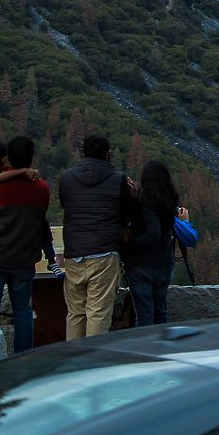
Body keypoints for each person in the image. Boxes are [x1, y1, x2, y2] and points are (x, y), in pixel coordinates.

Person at [0, 135, 53, 352]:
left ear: (8, 159)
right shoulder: (41, 189)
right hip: (25, 260)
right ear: (31, 159)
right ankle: (22, 359)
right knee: (23, 311)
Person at [59, 133, 136, 339]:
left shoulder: (66, 179)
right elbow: (128, 214)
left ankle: (73, 362)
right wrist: (132, 193)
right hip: (104, 253)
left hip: (74, 253)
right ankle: (94, 365)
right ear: (107, 154)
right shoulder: (118, 180)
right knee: (98, 314)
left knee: (75, 313)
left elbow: (66, 206)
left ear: (83, 152)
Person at [0, 140, 59, 291]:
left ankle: (51, 260)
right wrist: (23, 171)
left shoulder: (0, 180)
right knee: (23, 306)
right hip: (21, 254)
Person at [121, 161, 195, 327]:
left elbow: (153, 233)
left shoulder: (143, 202)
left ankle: (147, 349)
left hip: (141, 265)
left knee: (144, 314)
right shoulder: (169, 203)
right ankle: (162, 348)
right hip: (164, 264)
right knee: (161, 311)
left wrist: (130, 243)